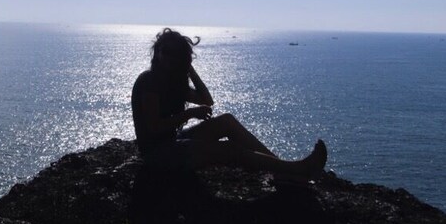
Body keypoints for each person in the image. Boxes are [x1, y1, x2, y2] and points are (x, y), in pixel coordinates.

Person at [131, 28, 327, 179]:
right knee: (229, 151)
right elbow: (154, 127)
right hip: (157, 155)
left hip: (172, 143)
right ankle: (294, 170)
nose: (169, 57)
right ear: (157, 52)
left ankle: (281, 167)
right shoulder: (150, 82)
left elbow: (206, 100)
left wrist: (188, 68)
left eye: (176, 54)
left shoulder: (171, 82)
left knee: (227, 122)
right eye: (165, 51)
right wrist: (190, 114)